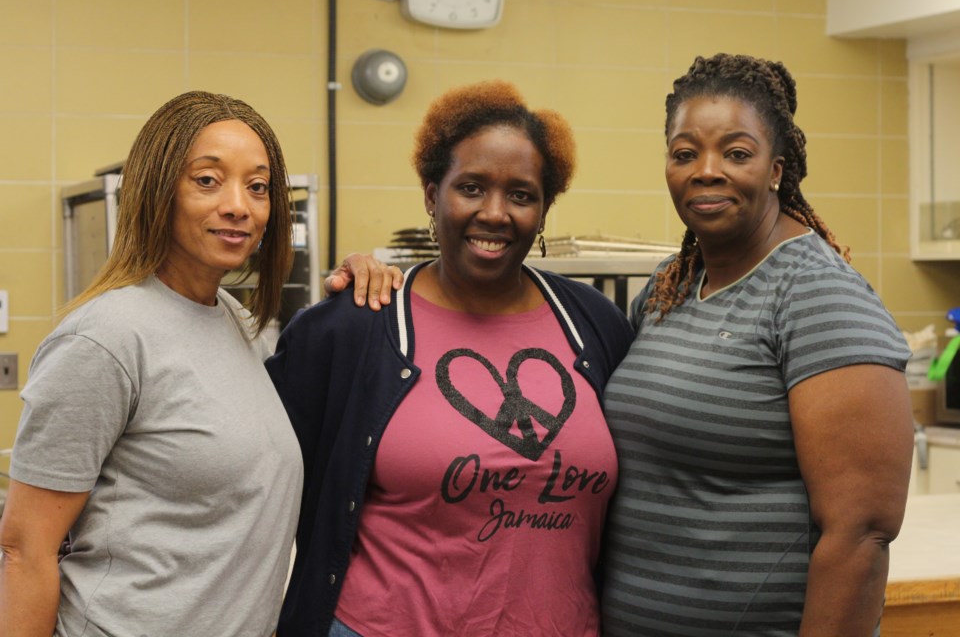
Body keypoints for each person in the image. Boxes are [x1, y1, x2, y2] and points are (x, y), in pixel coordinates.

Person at [0, 90, 400, 637]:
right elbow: (25, 550)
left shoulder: (235, 322)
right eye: (207, 180)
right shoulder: (107, 336)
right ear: (158, 191)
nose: (239, 205)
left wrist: (357, 282)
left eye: (257, 187)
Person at [266, 81, 636, 636]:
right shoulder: (357, 326)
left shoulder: (594, 324)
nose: (495, 213)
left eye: (521, 194)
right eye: (470, 187)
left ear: (544, 208)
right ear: (431, 193)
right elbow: (255, 481)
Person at [600, 54, 914, 636]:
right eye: (684, 152)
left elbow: (861, 534)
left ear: (776, 168)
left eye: (736, 153)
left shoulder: (815, 294)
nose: (706, 171)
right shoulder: (671, 285)